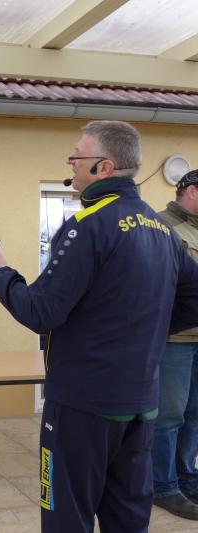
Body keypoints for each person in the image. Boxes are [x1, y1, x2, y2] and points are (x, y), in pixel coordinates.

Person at [0, 120, 198, 533]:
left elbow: (40, 311)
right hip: (140, 403)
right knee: (128, 518)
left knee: (66, 515)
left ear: (104, 167)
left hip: (82, 403)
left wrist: (0, 272)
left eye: (77, 155)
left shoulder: (88, 225)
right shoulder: (161, 229)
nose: (70, 162)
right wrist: (143, 335)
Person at [152, 168, 198, 520]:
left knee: (195, 414)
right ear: (192, 191)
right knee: (169, 416)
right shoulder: (161, 225)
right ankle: (163, 486)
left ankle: (187, 479)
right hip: (175, 339)